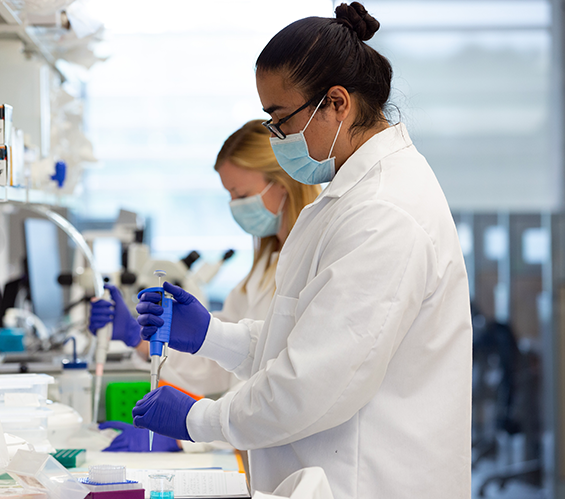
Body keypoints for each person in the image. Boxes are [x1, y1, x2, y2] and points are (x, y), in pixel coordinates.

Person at [133, 3, 472, 498]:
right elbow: (301, 341)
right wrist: (213, 337)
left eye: (280, 119)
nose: (275, 138)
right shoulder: (349, 197)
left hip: (373, 479)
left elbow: (311, 385)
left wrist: (199, 417)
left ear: (338, 103)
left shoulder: (384, 213)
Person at [89, 120, 321, 448]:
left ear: (282, 183)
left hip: (277, 444)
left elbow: (280, 386)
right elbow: (220, 366)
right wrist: (139, 339)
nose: (234, 206)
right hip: (255, 446)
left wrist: (187, 433)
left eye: (241, 194)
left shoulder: (313, 261)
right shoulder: (262, 270)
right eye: (229, 195)